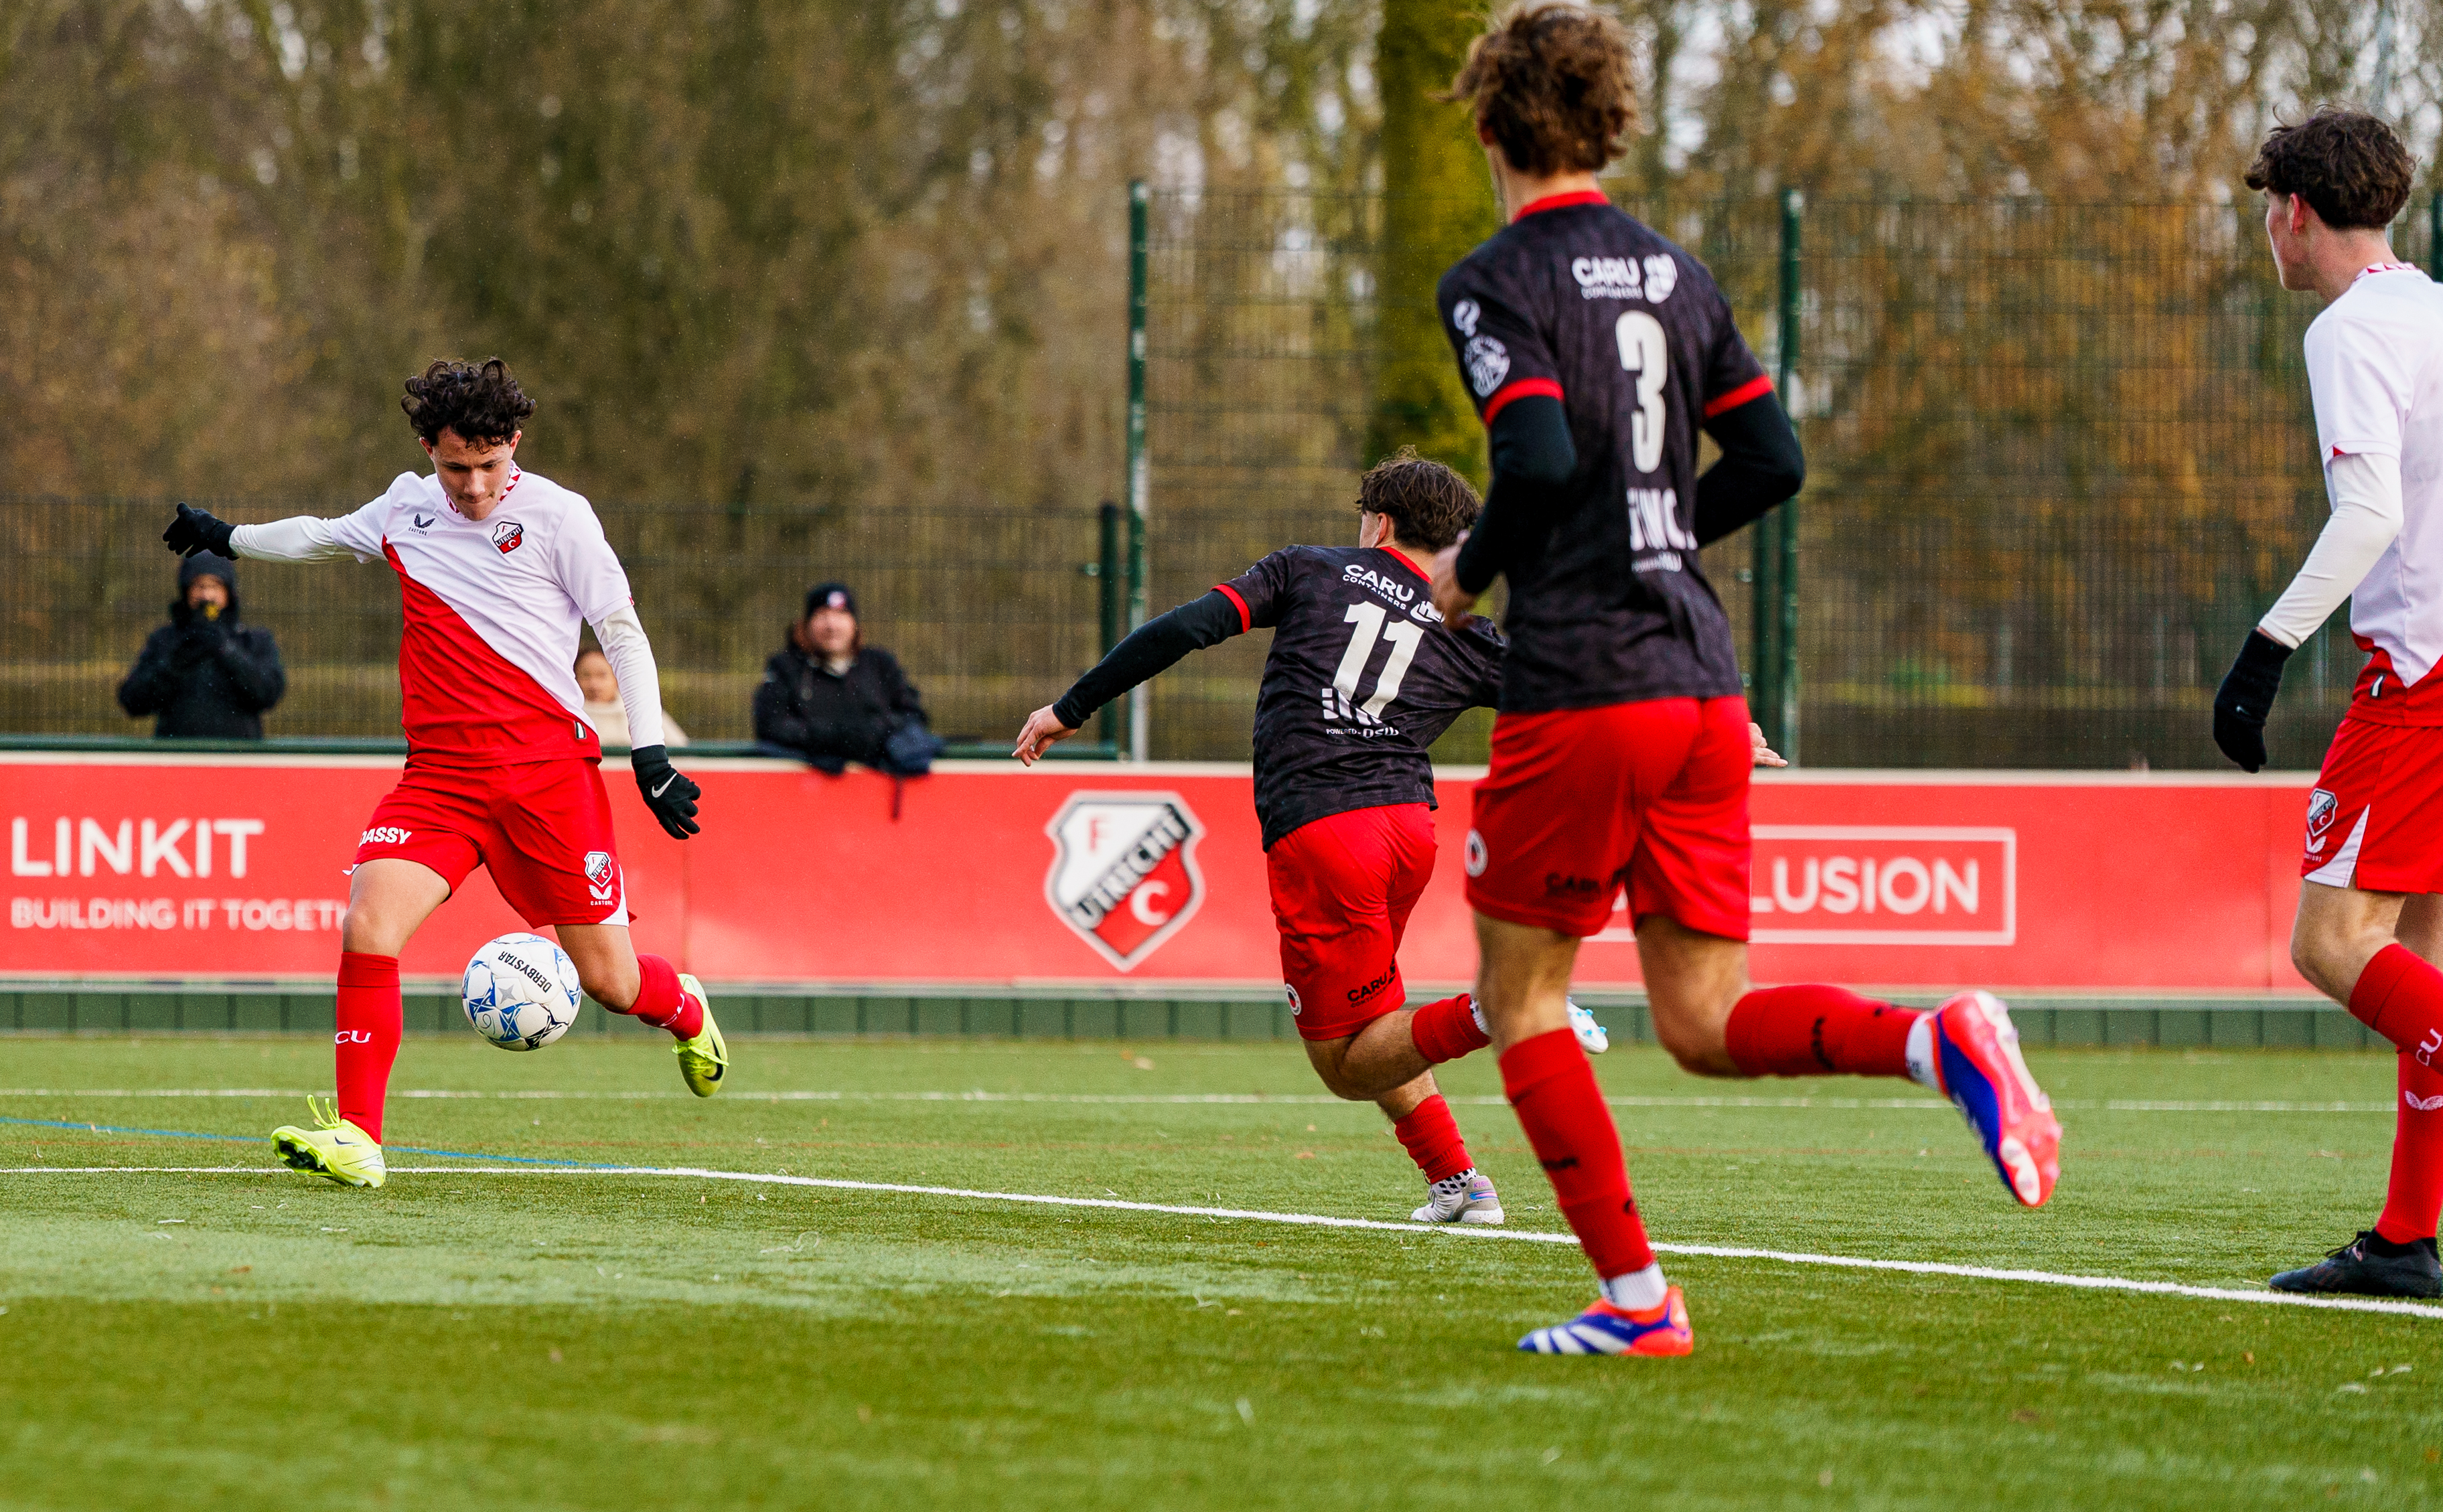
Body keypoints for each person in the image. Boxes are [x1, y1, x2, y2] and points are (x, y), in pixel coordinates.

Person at [1420, 4, 2051, 1355]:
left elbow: (1529, 456)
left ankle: (1639, 1302)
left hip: (1584, 678)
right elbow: (1773, 461)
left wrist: (1471, 571)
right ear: (1608, 125)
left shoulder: (1493, 280)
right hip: (1704, 682)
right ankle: (1931, 1040)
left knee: (1523, 996)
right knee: (1700, 1021)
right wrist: (1653, 533)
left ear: (1490, 128)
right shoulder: (1679, 272)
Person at [1016, 455, 1681, 1225]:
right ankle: (1460, 1183)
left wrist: (1071, 706)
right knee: (1378, 1024)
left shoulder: (1309, 568)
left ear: (1380, 522)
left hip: (1326, 833)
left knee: (1345, 1063)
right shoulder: (1465, 625)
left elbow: (1189, 627)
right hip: (1407, 831)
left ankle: (1503, 1006)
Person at [161, 358, 722, 1187]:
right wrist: (227, 537)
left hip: (548, 777)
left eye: (489, 466)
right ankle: (358, 1135)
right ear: (429, 448)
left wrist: (650, 754)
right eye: (456, 466)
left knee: (610, 979)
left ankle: (684, 1009)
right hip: (441, 779)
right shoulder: (405, 506)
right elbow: (318, 533)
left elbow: (622, 631)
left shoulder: (561, 517)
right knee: (368, 924)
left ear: (514, 447)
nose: (473, 486)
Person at [2208, 107, 2443, 1299]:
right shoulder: (2434, 307)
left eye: (2265, 212)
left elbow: (2367, 520)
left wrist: (2264, 648)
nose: (2266, 234)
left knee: (2331, 941)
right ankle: (2407, 1237)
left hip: (2419, 677)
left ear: (2293, 212)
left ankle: (2407, 1237)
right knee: (2422, 957)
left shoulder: (2351, 328)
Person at [752, 583, 934, 775]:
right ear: (806, 624)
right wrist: (833, 739)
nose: (831, 625)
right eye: (822, 615)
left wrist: (875, 735)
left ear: (854, 623)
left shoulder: (880, 664)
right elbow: (772, 725)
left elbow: (913, 715)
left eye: (840, 615)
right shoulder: (785, 668)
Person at [115, 549, 287, 739]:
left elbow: (267, 694)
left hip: (237, 759)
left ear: (228, 592)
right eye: (198, 586)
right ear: (186, 591)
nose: (206, 596)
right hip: (178, 758)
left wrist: (227, 651)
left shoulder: (252, 640)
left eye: (214, 586)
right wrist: (175, 664)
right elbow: (133, 702)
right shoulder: (165, 639)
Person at [577, 646, 686, 749]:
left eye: (602, 675)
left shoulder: (643, 712)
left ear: (616, 677)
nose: (594, 685)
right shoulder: (570, 717)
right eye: (586, 676)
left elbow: (682, 753)